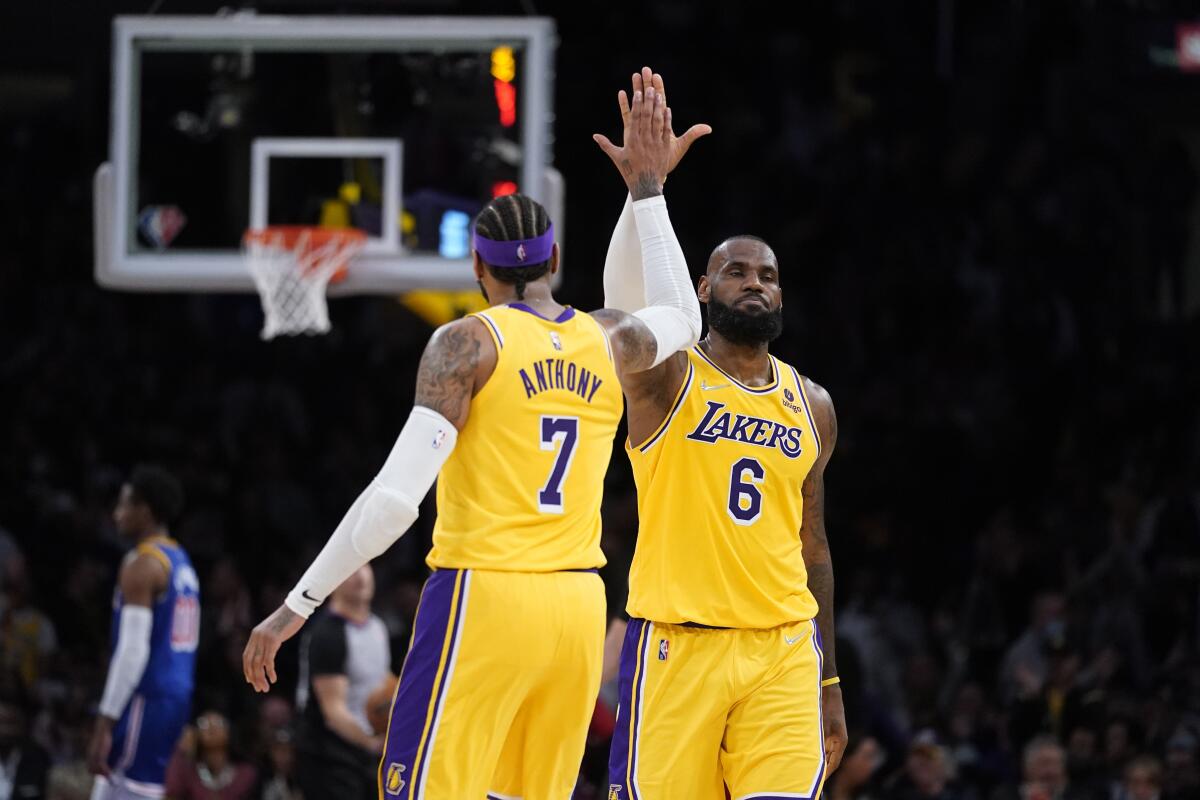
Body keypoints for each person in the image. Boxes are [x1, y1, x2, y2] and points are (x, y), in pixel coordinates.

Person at [243, 75, 704, 799]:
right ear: (553, 263)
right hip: (579, 606)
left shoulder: (466, 344)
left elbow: (396, 503)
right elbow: (684, 315)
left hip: (485, 597)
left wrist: (295, 605)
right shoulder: (607, 337)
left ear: (477, 267)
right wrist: (648, 191)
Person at [601, 67, 846, 799]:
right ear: (702, 290)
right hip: (680, 647)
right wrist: (645, 193)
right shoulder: (666, 377)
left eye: (767, 275)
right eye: (735, 272)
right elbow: (624, 304)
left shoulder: (813, 403)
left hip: (782, 652)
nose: (755, 283)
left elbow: (814, 548)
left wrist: (829, 677)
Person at [87, 465, 199, 800]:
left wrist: (104, 722)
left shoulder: (142, 564)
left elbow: (132, 651)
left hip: (146, 694)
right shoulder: (180, 560)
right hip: (175, 694)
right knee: (116, 786)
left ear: (145, 511)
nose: (116, 514)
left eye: (124, 505)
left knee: (130, 788)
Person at [293, 566, 390, 799]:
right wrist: (374, 744)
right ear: (332, 582)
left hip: (363, 749)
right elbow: (333, 712)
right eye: (351, 570)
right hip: (328, 754)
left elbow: (382, 683)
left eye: (367, 567)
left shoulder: (378, 626)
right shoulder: (327, 633)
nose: (361, 576)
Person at [163, 711, 257, 800]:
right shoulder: (188, 771)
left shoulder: (245, 772)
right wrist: (181, 751)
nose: (211, 727)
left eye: (218, 723)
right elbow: (172, 793)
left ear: (229, 732)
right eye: (203, 723)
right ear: (196, 734)